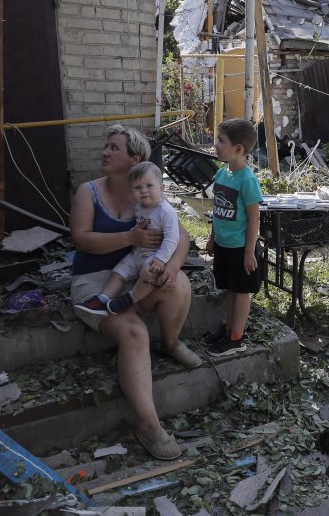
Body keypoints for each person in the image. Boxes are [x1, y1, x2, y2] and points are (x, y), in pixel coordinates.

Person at [69, 125, 203, 461]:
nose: (105, 152)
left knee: (180, 284)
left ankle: (171, 343)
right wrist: (130, 238)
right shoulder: (89, 191)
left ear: (134, 158)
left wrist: (170, 268)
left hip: (139, 274)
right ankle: (149, 426)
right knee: (134, 331)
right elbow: (81, 239)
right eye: (106, 146)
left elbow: (181, 237)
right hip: (95, 279)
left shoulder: (147, 191)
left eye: (114, 148)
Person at [74, 161, 180, 317]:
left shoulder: (166, 212)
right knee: (119, 271)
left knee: (149, 274)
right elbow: (139, 226)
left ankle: (128, 299)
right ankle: (102, 299)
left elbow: (172, 239)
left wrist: (160, 259)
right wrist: (134, 232)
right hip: (137, 252)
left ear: (162, 188)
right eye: (138, 188)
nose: (143, 191)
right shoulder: (140, 206)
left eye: (149, 186)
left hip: (154, 256)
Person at [201, 118, 264, 356]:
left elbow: (254, 220)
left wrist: (250, 251)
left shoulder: (247, 181)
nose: (216, 145)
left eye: (220, 141)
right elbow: (218, 211)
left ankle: (236, 338)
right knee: (229, 288)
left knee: (241, 292)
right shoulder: (221, 174)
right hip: (223, 245)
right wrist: (211, 238)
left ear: (238, 149)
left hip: (240, 249)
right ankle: (229, 329)